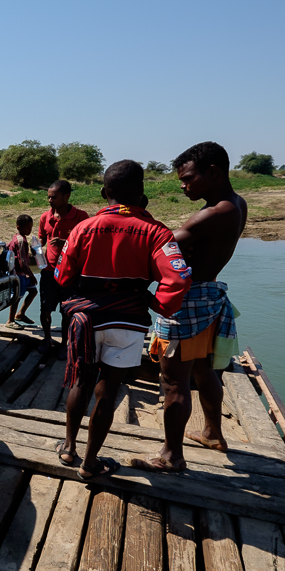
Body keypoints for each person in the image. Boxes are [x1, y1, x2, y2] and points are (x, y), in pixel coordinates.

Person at [53, 161, 191, 479]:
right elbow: (179, 276)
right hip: (128, 323)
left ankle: (69, 448)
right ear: (142, 195)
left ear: (104, 192)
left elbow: (62, 276)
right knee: (108, 390)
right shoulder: (157, 232)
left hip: (86, 319)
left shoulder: (83, 228)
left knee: (81, 382)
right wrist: (158, 304)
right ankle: (90, 464)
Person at [130, 142, 247, 473]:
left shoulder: (216, 213)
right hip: (209, 297)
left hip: (187, 301)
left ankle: (171, 456)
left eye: (188, 178)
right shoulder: (237, 204)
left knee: (172, 382)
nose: (183, 185)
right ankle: (212, 433)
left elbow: (162, 246)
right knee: (203, 369)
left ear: (213, 172)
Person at [37, 180, 89, 353]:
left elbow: (87, 244)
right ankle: (46, 339)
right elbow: (41, 240)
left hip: (70, 273)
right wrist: (33, 247)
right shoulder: (45, 216)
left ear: (67, 196)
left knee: (67, 311)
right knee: (45, 308)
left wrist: (65, 242)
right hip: (49, 271)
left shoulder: (81, 217)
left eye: (54, 197)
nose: (50, 201)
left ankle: (64, 344)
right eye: (49, 197)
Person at [6, 214, 38, 329]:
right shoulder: (20, 241)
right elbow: (22, 261)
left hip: (23, 273)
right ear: (19, 227)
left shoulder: (19, 238)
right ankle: (10, 320)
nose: (29, 230)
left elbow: (7, 247)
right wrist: (31, 275)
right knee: (16, 297)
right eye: (27, 228)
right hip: (19, 273)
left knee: (33, 291)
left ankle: (20, 314)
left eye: (30, 227)